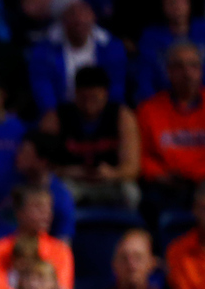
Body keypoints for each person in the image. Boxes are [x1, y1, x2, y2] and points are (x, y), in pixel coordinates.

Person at [137, 42, 205, 212]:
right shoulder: (148, 110)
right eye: (179, 66)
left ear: (201, 70)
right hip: (165, 186)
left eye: (193, 66)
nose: (187, 73)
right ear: (168, 71)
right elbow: (143, 156)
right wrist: (160, 175)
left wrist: (202, 176)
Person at [39, 65, 140, 208]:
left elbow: (132, 168)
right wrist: (69, 171)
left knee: (131, 192)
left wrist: (112, 173)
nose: (88, 105)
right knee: (55, 192)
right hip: (73, 183)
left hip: (110, 182)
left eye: (94, 98)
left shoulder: (122, 116)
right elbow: (42, 166)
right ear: (75, 94)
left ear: (105, 94)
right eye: (83, 98)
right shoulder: (56, 118)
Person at [0, 131, 77, 249]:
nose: (18, 155)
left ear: (42, 161)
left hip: (35, 256)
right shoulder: (0, 180)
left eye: (25, 153)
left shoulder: (61, 195)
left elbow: (64, 240)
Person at [26, 0, 127, 116]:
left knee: (124, 116)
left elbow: (116, 87)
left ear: (93, 15)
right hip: (62, 113)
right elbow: (42, 89)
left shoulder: (111, 47)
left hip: (103, 112)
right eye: (72, 13)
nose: (79, 19)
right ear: (63, 19)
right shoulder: (44, 51)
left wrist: (109, 114)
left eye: (84, 12)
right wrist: (54, 114)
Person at [135, 0, 205, 104]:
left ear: (189, 2)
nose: (176, 4)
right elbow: (145, 82)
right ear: (162, 4)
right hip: (163, 105)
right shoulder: (150, 37)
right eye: (170, 0)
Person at [0, 185, 75, 289]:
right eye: (37, 207)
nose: (46, 213)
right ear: (19, 212)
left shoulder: (61, 250)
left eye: (48, 207)